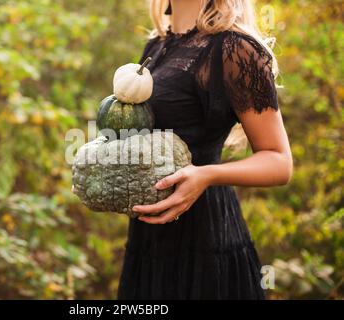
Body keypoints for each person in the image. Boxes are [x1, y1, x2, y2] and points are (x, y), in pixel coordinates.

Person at [117, 0, 293, 299]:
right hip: (150, 236)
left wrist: (206, 175)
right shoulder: (157, 45)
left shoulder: (235, 49)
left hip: (205, 237)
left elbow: (279, 161)